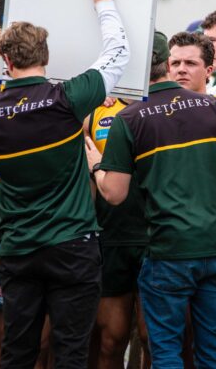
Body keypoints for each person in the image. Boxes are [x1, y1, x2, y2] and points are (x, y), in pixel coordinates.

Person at [0, 0, 128, 368]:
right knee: (71, 352)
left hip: (18, 248)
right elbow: (118, 52)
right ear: (48, 54)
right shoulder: (67, 100)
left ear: (6, 61)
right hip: (73, 245)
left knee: (17, 350)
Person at [85, 33, 216, 368]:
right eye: (177, 63)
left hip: (168, 250)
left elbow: (114, 193)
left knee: (167, 352)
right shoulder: (214, 108)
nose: (182, 69)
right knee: (213, 351)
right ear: (166, 65)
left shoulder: (129, 118)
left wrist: (96, 166)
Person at [85, 34, 164, 369]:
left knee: (152, 337)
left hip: (155, 234)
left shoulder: (166, 108)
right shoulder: (97, 109)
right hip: (111, 233)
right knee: (111, 337)